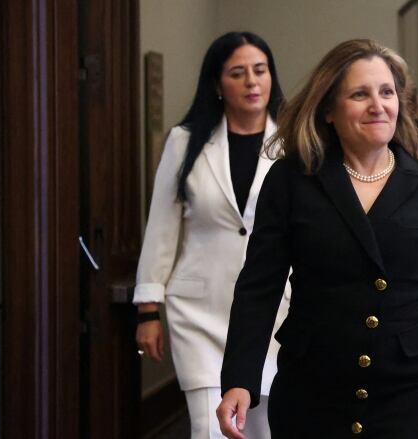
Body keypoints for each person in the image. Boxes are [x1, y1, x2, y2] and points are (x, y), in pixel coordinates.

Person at [216, 39, 418, 439]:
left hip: (414, 392)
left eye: (387, 92)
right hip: (313, 392)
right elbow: (258, 287)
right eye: (359, 94)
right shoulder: (289, 181)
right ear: (330, 111)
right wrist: (239, 379)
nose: (378, 105)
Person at [133, 31, 289, 439]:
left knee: (266, 426)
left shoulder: (295, 140)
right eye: (238, 73)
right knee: (211, 429)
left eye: (260, 70)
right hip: (201, 312)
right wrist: (148, 308)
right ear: (218, 84)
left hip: (277, 311)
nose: (252, 82)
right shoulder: (185, 142)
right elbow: (161, 227)